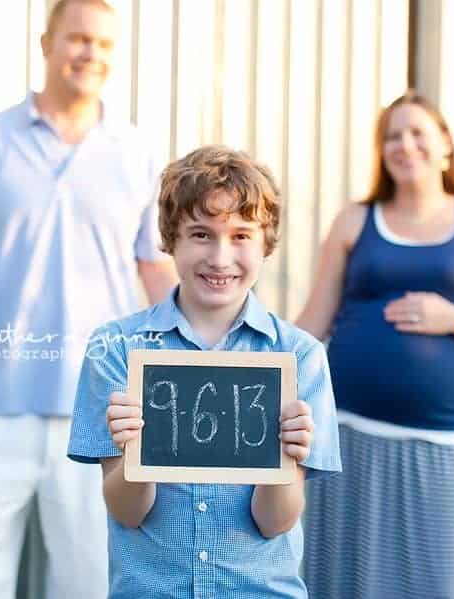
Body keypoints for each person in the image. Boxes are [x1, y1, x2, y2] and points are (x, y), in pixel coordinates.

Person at [0, 1, 177, 597]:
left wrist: (187, 359)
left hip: (101, 405)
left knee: (93, 577)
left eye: (105, 45)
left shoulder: (135, 154)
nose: (91, 54)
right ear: (46, 43)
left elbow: (156, 269)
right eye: (79, 39)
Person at [66, 145, 342, 598]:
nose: (219, 257)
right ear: (170, 238)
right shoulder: (116, 348)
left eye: (240, 236)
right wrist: (135, 448)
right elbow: (127, 511)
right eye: (200, 234)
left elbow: (276, 521)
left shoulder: (299, 356)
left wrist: (287, 460)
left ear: (266, 242)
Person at [297, 91, 454, 598]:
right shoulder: (355, 221)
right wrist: (244, 363)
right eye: (392, 136)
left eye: (418, 133)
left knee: (438, 580)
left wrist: (453, 316)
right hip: (347, 431)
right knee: (344, 578)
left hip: (439, 439)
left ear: (446, 144)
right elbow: (312, 323)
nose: (405, 145)